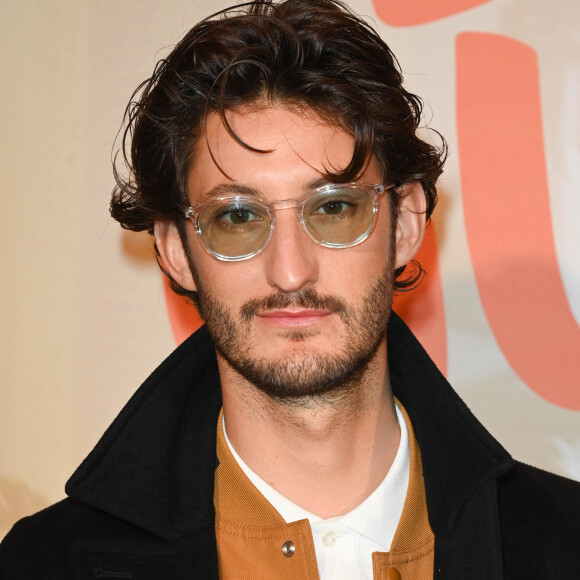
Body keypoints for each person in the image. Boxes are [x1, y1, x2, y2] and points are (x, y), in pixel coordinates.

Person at [1, 0, 579, 578]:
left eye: (333, 209)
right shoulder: (42, 563)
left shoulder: (563, 542)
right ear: (177, 250)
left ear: (404, 224)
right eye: (237, 217)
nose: (291, 272)